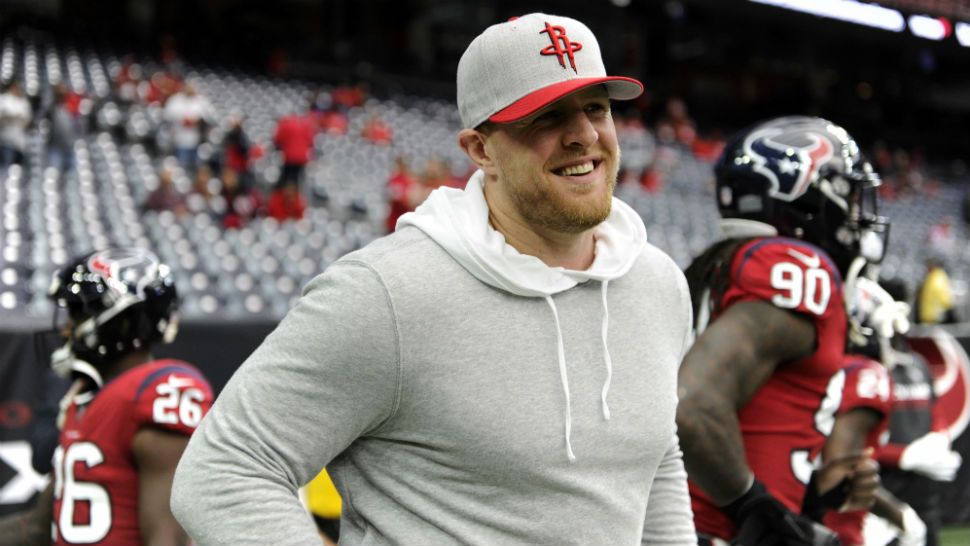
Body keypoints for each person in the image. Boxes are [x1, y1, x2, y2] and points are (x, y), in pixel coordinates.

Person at [172, 12, 696, 545]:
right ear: (480, 150)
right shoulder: (387, 293)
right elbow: (223, 470)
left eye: (596, 109)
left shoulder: (659, 283)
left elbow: (656, 463)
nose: (584, 135)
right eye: (547, 117)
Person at [677, 116, 890, 545]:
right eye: (847, 198)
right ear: (806, 198)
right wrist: (754, 508)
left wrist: (807, 495)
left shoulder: (722, 263)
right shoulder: (797, 267)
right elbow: (692, 405)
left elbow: (750, 417)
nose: (854, 216)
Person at [0, 247, 213, 545]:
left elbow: (170, 538)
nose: (66, 329)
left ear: (123, 322)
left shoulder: (156, 391)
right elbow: (40, 526)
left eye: (77, 314)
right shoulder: (84, 398)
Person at [917, 257, 956, 324]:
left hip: (935, 317)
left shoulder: (937, 278)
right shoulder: (932, 277)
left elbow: (945, 298)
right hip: (929, 317)